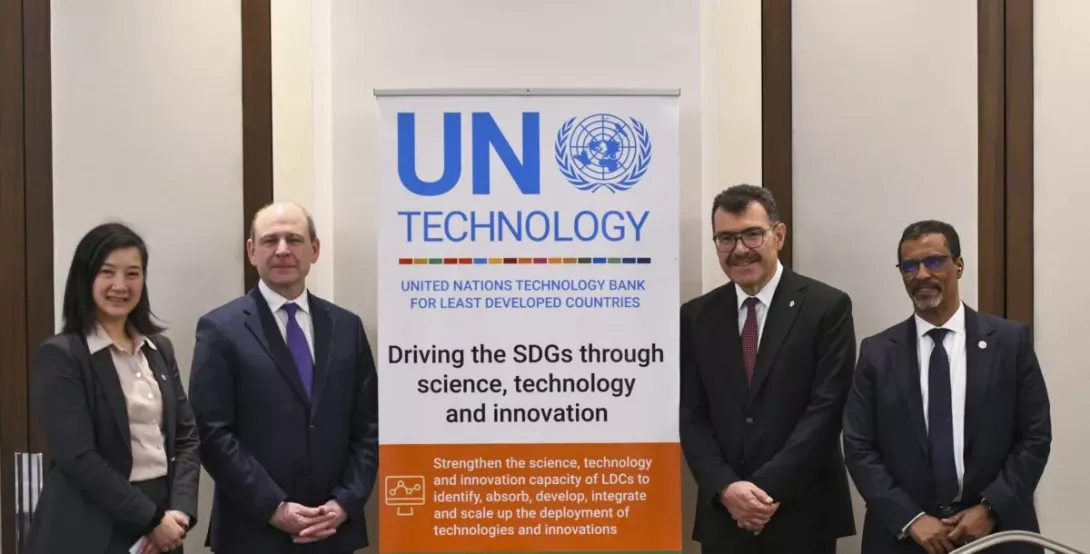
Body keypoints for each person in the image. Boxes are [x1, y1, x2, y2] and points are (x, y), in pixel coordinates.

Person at [842, 220, 1052, 554]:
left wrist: (990, 508)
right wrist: (910, 519)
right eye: (910, 266)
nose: (922, 274)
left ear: (959, 264)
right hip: (904, 538)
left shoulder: (1009, 343)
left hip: (998, 534)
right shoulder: (877, 353)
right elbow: (858, 446)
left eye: (934, 261)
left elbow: (1034, 436)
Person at [188, 201, 378, 554]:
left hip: (333, 531)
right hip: (253, 532)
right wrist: (274, 507)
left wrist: (344, 503)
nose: (282, 250)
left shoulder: (347, 327)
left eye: (294, 239)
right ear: (251, 251)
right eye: (269, 240)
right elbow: (211, 433)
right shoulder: (220, 329)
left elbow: (369, 426)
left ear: (315, 250)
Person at [679, 184, 857, 554]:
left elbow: (826, 412)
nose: (739, 249)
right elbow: (691, 414)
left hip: (802, 512)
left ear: (778, 235)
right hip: (724, 514)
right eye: (726, 238)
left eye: (752, 234)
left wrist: (764, 493)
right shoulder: (696, 316)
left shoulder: (827, 307)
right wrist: (727, 489)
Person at [25, 222, 200, 554]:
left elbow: (186, 437)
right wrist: (150, 520)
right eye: (108, 272)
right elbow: (78, 458)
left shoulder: (158, 349)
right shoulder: (62, 356)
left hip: (162, 525)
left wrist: (179, 513)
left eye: (133, 274)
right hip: (89, 527)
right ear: (85, 277)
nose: (120, 285)